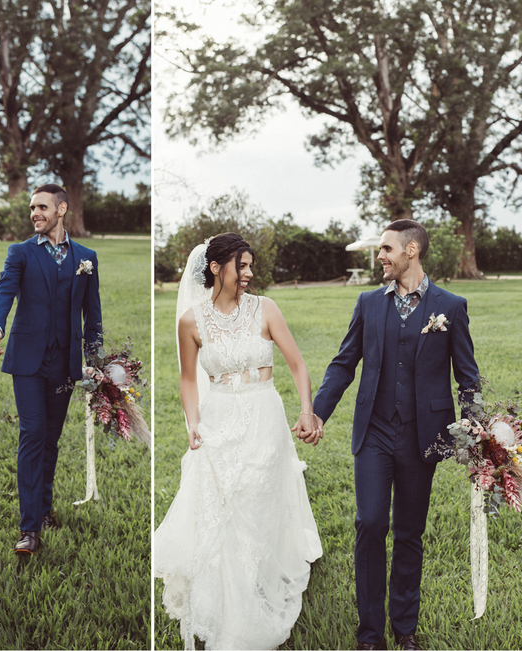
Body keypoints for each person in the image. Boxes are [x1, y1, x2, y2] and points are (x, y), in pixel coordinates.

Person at [308, 220, 479, 651]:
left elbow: (468, 379)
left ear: (412, 250)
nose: (380, 256)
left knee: (409, 532)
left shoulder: (451, 306)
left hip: (424, 436)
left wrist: (481, 438)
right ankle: (370, 636)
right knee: (369, 524)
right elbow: (344, 364)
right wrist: (317, 412)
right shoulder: (368, 303)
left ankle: (404, 629)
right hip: (375, 432)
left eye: (387, 249)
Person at [154, 232, 323, 650]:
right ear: (216, 268)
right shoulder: (191, 321)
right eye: (241, 266)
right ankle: (229, 599)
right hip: (218, 421)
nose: (248, 274)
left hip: (264, 415)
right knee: (224, 507)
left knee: (255, 500)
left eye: (250, 266)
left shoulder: (265, 309)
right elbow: (188, 379)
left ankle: (259, 579)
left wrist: (306, 410)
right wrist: (193, 422)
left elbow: (297, 364)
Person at [0, 183, 103, 555]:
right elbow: (3, 291)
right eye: (32, 208)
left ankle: (45, 508)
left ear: (62, 209)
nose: (35, 213)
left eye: (41, 207)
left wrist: (96, 362)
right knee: (33, 433)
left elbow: (92, 313)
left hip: (66, 362)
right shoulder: (20, 252)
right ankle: (29, 529)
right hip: (27, 360)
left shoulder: (86, 257)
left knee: (50, 438)